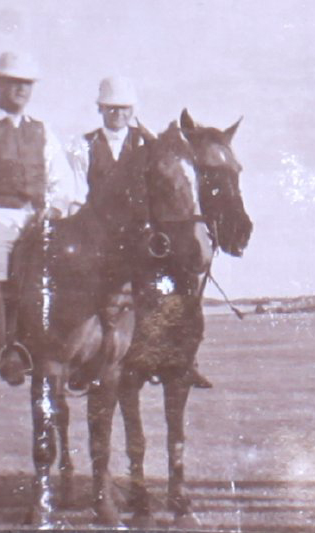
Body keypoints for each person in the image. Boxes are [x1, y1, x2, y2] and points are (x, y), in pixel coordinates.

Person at [67, 76, 212, 389]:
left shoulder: (148, 145)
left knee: (182, 276)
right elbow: (78, 195)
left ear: (132, 110)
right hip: (98, 234)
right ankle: (85, 358)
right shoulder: (83, 145)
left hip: (140, 233)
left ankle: (185, 357)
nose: (117, 114)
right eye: (111, 108)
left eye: (123, 108)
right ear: (100, 109)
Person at [0, 52, 87, 385]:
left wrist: (54, 208)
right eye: (13, 83)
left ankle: (61, 345)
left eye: (26, 84)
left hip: (33, 217)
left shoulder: (41, 131)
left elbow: (63, 181)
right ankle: (1, 349)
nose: (20, 90)